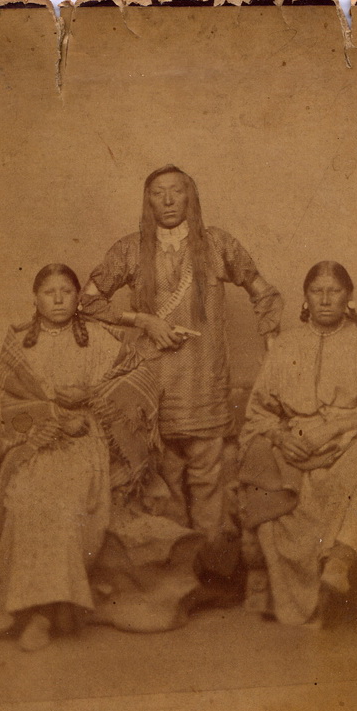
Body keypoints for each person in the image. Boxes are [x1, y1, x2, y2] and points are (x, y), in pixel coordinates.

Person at [79, 165, 283, 582]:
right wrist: (142, 321)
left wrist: (274, 355)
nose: (169, 201)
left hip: (205, 380)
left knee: (209, 480)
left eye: (177, 191)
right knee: (161, 480)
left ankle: (210, 572)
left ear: (191, 197)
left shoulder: (218, 244)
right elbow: (87, 304)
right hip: (152, 387)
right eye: (158, 193)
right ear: (147, 200)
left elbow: (264, 293)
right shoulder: (130, 250)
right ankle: (172, 576)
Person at [0, 264, 201, 651]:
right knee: (26, 500)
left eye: (66, 292)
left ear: (76, 297)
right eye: (49, 292)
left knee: (67, 502)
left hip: (88, 440)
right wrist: (52, 414)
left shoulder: (99, 338)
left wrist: (91, 397)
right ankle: (34, 608)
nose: (57, 299)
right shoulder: (19, 342)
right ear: (35, 298)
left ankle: (43, 615)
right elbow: (7, 404)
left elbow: (140, 379)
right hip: (38, 442)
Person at [239, 261, 357, 636]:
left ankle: (349, 570)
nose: (326, 299)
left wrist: (339, 426)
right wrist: (283, 438)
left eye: (335, 291)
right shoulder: (286, 345)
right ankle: (319, 585)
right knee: (268, 465)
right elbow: (259, 412)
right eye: (317, 291)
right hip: (296, 451)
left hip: (348, 443)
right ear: (306, 297)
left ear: (348, 296)